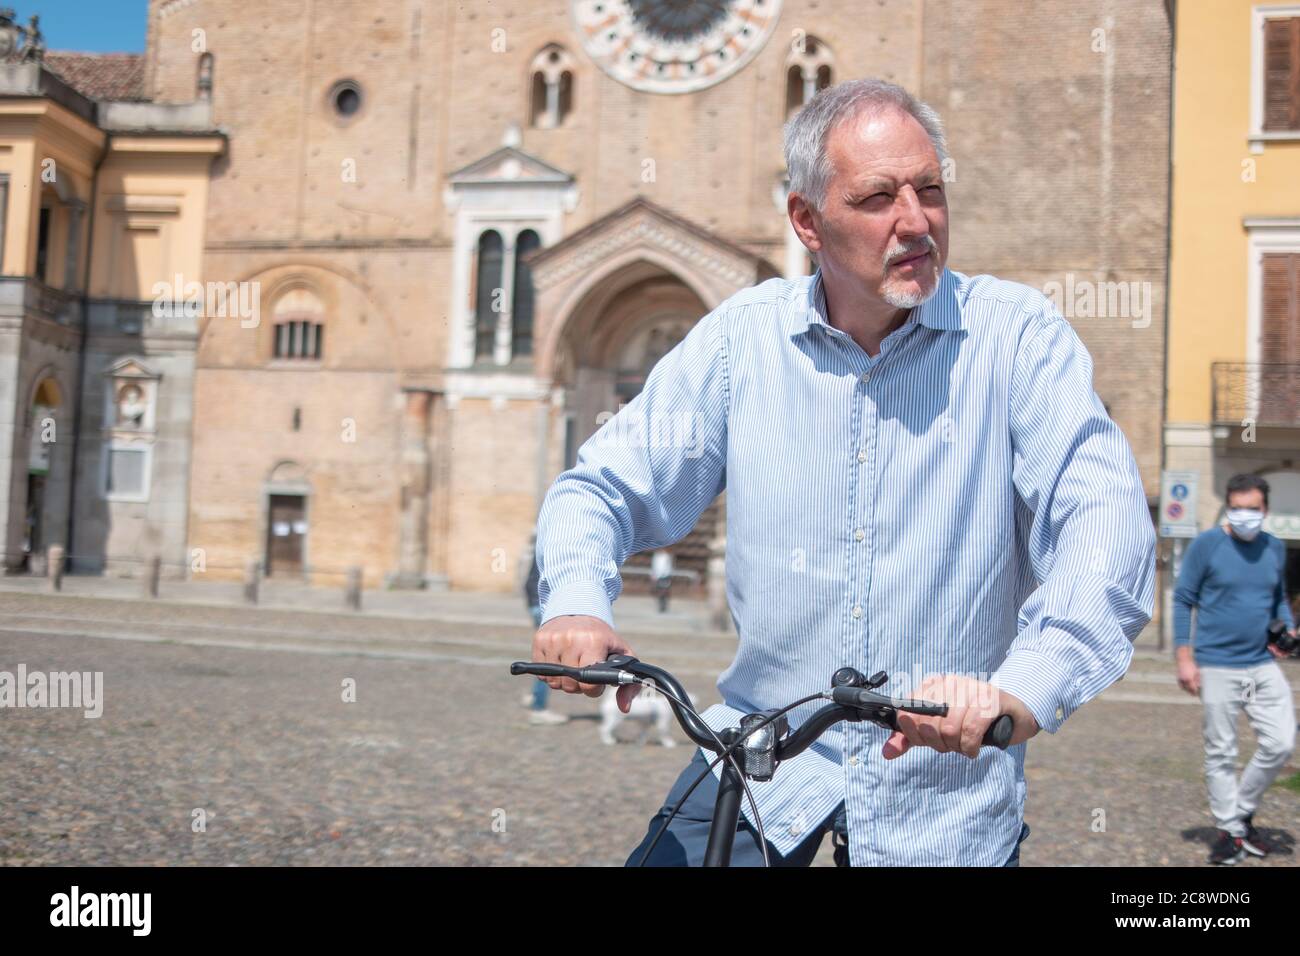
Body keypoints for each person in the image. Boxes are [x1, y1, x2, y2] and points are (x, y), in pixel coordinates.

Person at [531, 78, 1155, 866]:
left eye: (930, 190)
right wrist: (578, 604)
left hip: (940, 801)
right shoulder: (740, 343)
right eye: (877, 197)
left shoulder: (1017, 340)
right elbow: (600, 489)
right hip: (763, 769)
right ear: (806, 221)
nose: (915, 220)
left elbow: (1104, 525)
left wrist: (1021, 691)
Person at [1173, 472, 1297, 865]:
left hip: (1260, 662)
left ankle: (1239, 813)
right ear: (1229, 507)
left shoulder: (1274, 548)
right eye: (1237, 509)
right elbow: (1182, 600)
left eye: (1252, 509)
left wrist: (1285, 629)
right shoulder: (1206, 545)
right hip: (1217, 664)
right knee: (1221, 751)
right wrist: (1183, 658)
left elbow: (1276, 597)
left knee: (1281, 741)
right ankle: (1229, 833)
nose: (1244, 516)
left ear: (1266, 510)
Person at [521, 537, 568, 726]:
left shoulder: (550, 534)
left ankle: (534, 697)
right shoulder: (560, 540)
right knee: (550, 658)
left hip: (538, 601)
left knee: (545, 654)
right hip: (545, 604)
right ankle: (538, 708)